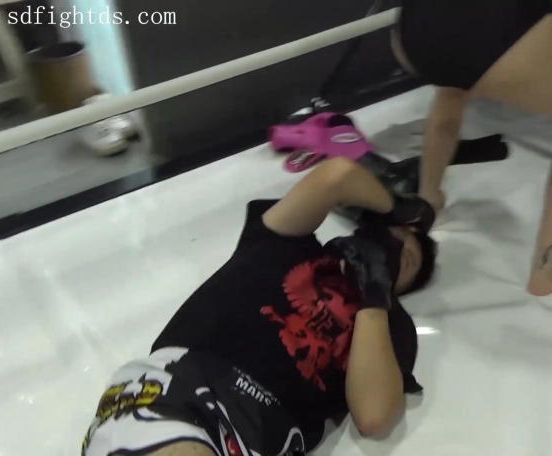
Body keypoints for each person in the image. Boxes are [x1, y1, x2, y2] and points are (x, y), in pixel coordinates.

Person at [80, 157, 438, 456]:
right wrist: (398, 208)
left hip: (262, 436)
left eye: (404, 261)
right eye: (392, 239)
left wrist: (374, 295)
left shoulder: (388, 328)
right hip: (184, 382)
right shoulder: (286, 244)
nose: (393, 251)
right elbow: (336, 175)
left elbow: (374, 416)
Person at [391, 0, 552, 296]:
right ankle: (547, 269)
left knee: (454, 87)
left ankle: (428, 200)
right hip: (494, 26)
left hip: (415, 30)